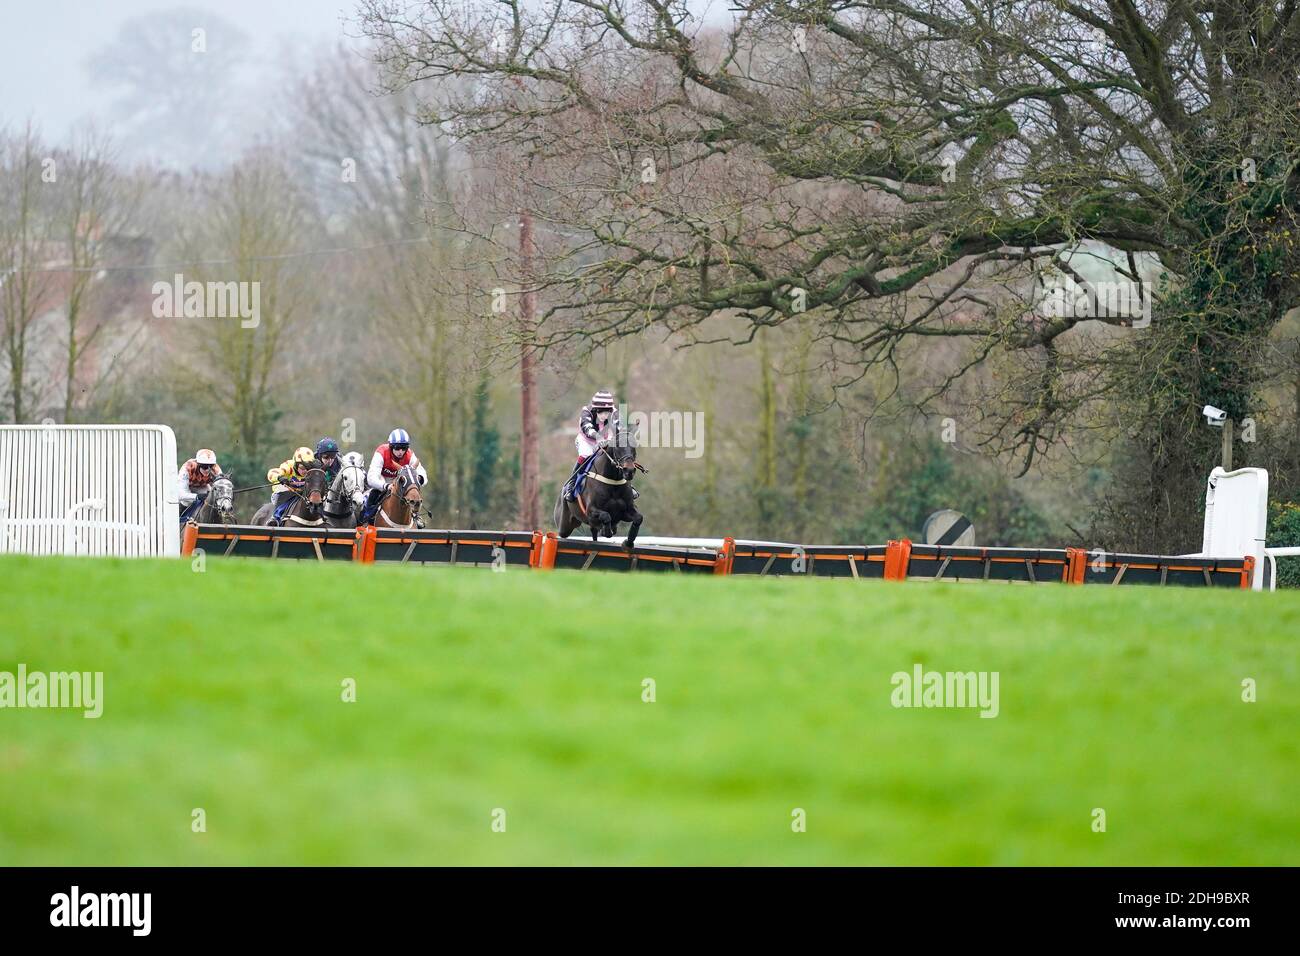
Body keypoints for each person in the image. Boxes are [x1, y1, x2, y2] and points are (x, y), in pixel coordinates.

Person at [563, 389, 630, 500]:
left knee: (617, 456)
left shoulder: (614, 412)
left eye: (607, 412)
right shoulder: (586, 412)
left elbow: (620, 427)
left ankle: (628, 486)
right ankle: (572, 484)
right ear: (595, 409)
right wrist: (598, 437)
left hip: (605, 438)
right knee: (585, 455)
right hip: (586, 440)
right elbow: (587, 428)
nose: (604, 415)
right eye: (601, 412)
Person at [359, 429, 428, 526]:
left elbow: (422, 473)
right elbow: (371, 478)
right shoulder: (381, 452)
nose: (400, 451)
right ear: (391, 446)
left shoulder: (410, 454)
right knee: (374, 493)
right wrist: (385, 486)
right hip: (382, 480)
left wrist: (418, 479)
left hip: (401, 482)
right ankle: (367, 516)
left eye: (404, 448)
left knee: (413, 492)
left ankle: (416, 516)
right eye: (397, 448)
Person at [266, 447, 317, 524]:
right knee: (285, 492)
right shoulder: (288, 466)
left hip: (301, 494)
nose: (305, 471)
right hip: (284, 495)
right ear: (296, 465)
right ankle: (275, 517)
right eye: (302, 468)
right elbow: (271, 473)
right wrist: (280, 477)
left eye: (308, 468)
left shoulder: (312, 470)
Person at [178, 448, 222, 522]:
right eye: (204, 466)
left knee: (213, 498)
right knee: (186, 501)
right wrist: (196, 496)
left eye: (210, 466)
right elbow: (181, 495)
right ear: (198, 464)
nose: (208, 470)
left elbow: (222, 487)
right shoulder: (187, 468)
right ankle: (177, 519)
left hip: (203, 486)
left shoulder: (216, 469)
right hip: (187, 487)